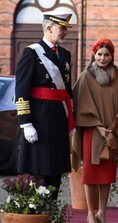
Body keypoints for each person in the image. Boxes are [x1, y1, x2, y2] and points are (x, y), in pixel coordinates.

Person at [72, 38, 118, 223]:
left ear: (111, 56)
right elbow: (80, 105)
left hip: (112, 134)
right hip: (92, 132)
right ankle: (90, 214)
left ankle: (102, 213)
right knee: (90, 175)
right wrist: (98, 127)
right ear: (94, 55)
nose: (103, 58)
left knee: (107, 176)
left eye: (106, 54)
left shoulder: (117, 77)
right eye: (99, 54)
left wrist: (114, 124)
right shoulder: (85, 76)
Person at [15, 10, 75, 200]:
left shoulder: (65, 54)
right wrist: (26, 123)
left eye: (66, 29)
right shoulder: (31, 53)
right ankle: (37, 217)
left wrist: (71, 117)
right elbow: (21, 90)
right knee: (40, 170)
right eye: (61, 28)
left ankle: (50, 214)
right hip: (39, 120)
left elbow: (66, 90)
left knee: (56, 170)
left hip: (58, 119)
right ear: (48, 27)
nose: (65, 32)